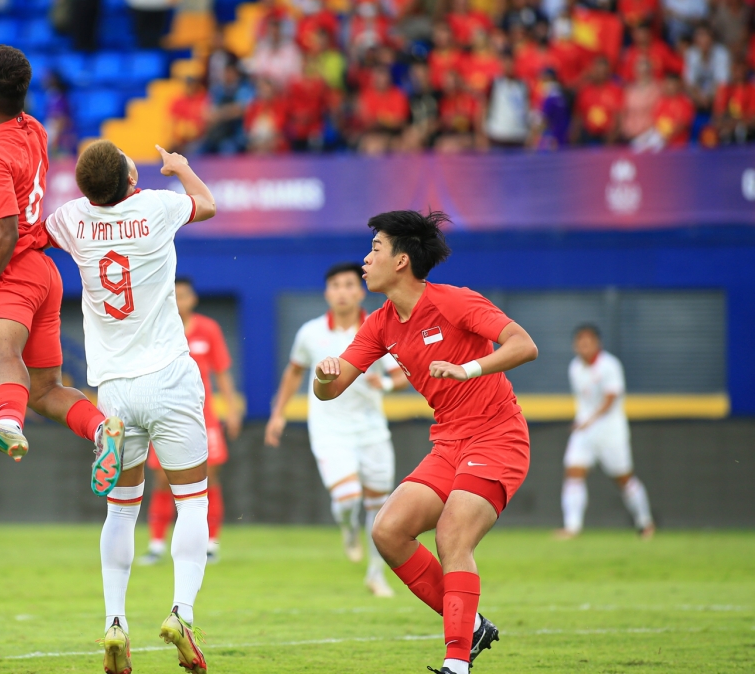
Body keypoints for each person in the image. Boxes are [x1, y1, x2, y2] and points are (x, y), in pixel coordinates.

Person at [313, 209, 539, 674]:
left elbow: (524, 345)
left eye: (375, 249)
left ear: (401, 261)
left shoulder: (454, 301)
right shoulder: (380, 323)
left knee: (452, 535)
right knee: (387, 530)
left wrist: (467, 369)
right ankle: (472, 626)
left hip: (497, 437)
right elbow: (330, 391)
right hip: (449, 443)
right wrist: (322, 376)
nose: (365, 260)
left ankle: (456, 663)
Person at [43, 140, 217, 674]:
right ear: (131, 178)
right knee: (192, 502)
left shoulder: (72, 218)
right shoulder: (158, 206)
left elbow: (33, 234)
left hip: (113, 390)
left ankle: (115, 622)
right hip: (169, 376)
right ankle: (182, 614)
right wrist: (181, 167)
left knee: (121, 510)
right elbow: (208, 204)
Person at [0, 46, 122, 496]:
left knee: (0, 351)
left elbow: (4, 232)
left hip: (11, 270)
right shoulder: (35, 130)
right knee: (43, 390)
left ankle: (7, 423)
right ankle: (102, 429)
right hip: (43, 273)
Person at [266, 262, 408, 596]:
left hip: (372, 430)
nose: (342, 292)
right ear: (327, 293)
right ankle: (348, 529)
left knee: (379, 507)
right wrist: (277, 414)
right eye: (335, 285)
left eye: (349, 285)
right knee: (348, 498)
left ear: (360, 291)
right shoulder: (310, 332)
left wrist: (386, 384)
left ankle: (376, 574)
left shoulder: (379, 327)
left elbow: (402, 375)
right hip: (329, 430)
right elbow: (293, 372)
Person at [138, 276, 240, 565]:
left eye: (183, 295)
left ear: (193, 298)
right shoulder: (156, 329)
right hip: (164, 416)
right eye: (173, 295)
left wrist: (232, 410)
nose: (178, 300)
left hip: (204, 418)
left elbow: (222, 371)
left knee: (210, 478)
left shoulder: (209, 329)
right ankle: (157, 544)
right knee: (162, 479)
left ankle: (210, 544)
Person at [556, 324, 655, 540]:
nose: (583, 346)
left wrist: (590, 421)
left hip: (611, 432)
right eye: (580, 342)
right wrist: (583, 423)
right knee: (573, 473)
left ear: (597, 344)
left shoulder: (610, 366)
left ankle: (645, 522)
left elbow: (611, 399)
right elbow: (584, 401)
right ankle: (572, 527)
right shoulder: (575, 367)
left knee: (624, 478)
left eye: (588, 342)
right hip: (584, 432)